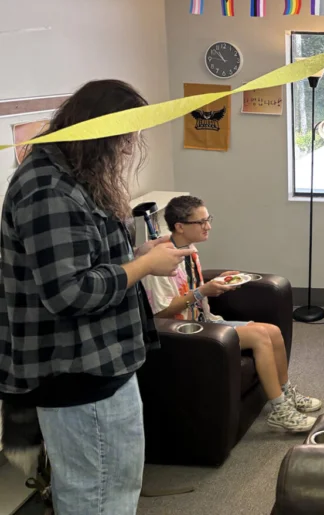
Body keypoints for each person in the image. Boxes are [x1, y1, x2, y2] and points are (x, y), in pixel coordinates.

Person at [0, 80, 195, 515]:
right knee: (98, 494)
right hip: (77, 371)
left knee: (114, 485)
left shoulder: (73, 177)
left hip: (101, 361)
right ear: (97, 133)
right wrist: (142, 268)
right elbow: (69, 292)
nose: (126, 151)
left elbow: (87, 259)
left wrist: (138, 253)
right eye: (122, 140)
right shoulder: (48, 188)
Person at [143, 195, 322, 433]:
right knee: (259, 335)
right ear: (180, 227)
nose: (209, 226)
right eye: (202, 222)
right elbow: (161, 312)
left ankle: (286, 392)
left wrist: (215, 282)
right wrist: (202, 292)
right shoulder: (159, 264)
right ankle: (280, 410)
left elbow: (191, 286)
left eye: (209, 219)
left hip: (204, 320)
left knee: (274, 332)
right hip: (183, 334)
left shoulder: (187, 249)